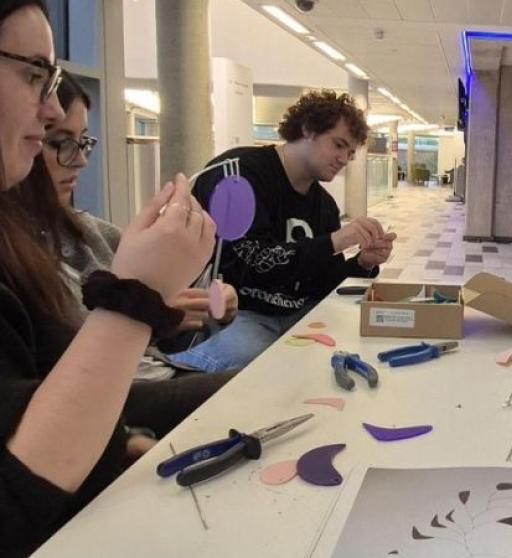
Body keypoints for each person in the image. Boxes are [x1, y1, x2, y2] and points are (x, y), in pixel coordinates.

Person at [0, 1, 216, 554]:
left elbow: (42, 400)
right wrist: (136, 300)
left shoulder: (43, 237)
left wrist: (123, 450)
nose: (49, 108)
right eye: (33, 75)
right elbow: (18, 494)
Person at [13, 71, 239, 379]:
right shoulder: (17, 266)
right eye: (60, 142)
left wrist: (206, 304)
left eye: (82, 142)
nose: (80, 160)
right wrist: (146, 311)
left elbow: (168, 332)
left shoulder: (91, 233)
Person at [171, 90, 397, 372]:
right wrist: (334, 241)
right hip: (236, 311)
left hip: (296, 313)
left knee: (352, 338)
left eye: (350, 153)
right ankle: (175, 375)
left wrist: (363, 263)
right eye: (338, 145)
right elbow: (249, 263)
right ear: (307, 129)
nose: (343, 159)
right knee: (249, 356)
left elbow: (322, 285)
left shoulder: (324, 205)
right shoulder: (238, 175)